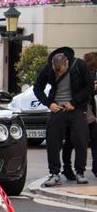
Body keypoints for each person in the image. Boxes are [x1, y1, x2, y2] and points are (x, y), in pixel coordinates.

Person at [34, 47, 93, 186]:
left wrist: (74, 102)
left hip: (76, 107)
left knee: (81, 139)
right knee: (52, 140)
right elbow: (37, 88)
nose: (58, 73)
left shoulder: (79, 65)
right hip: (57, 108)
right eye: (56, 71)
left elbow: (89, 86)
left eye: (61, 71)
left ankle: (80, 172)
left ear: (67, 62)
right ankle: (54, 173)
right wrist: (49, 104)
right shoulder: (48, 68)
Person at [61, 52, 97, 179]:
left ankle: (89, 168)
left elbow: (89, 93)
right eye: (92, 68)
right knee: (71, 141)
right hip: (74, 110)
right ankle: (68, 169)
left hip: (88, 111)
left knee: (92, 138)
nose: (93, 71)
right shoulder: (75, 72)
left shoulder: (89, 74)